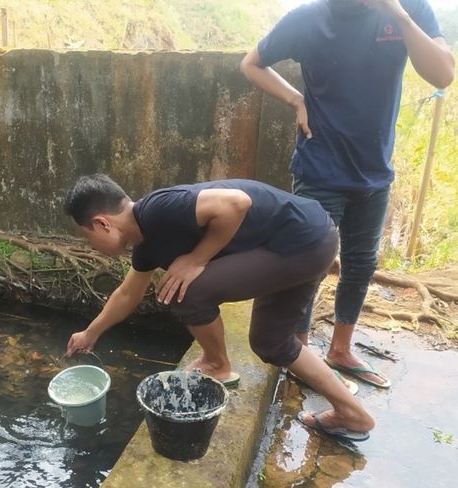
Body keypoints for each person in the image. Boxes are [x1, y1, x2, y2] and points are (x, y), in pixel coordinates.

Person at [63, 173, 375, 441]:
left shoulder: (160, 208)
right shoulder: (146, 244)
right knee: (271, 343)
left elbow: (236, 203)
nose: (91, 246)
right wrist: (91, 333)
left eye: (87, 236)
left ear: (101, 223)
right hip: (309, 241)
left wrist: (195, 259)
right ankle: (352, 413)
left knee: (184, 289)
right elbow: (128, 293)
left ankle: (216, 364)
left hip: (301, 240)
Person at [240, 0, 454, 389]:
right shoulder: (307, 19)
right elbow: (251, 62)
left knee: (361, 265)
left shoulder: (407, 10)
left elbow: (442, 74)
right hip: (319, 168)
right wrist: (295, 99)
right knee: (307, 264)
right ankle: (299, 352)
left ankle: (340, 350)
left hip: (375, 172)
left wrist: (399, 16)